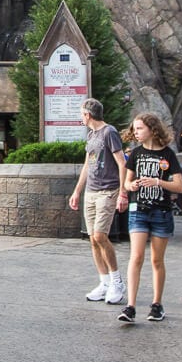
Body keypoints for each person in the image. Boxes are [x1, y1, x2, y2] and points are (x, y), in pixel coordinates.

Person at [117, 114, 182, 324]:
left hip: (161, 212)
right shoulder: (136, 153)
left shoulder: (168, 155)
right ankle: (131, 306)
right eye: (134, 129)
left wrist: (158, 182)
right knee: (136, 257)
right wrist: (131, 186)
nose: (136, 132)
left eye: (139, 128)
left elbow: (179, 186)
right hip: (139, 210)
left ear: (152, 130)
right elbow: (127, 183)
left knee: (157, 259)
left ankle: (157, 304)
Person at [69, 98, 128, 305]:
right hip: (91, 192)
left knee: (101, 235)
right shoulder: (92, 134)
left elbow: (122, 163)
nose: (81, 117)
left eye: (81, 114)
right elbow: (87, 165)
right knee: (92, 239)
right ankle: (103, 282)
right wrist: (77, 191)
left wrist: (122, 192)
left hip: (108, 190)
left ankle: (117, 281)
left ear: (88, 115)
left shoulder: (109, 132)